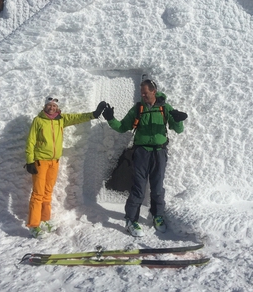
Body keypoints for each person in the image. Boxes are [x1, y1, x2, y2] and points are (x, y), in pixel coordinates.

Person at [103, 79, 187, 237]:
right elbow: (122, 127)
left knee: (157, 187)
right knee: (138, 187)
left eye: (145, 93)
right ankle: (130, 219)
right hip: (141, 152)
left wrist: (178, 119)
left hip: (159, 152)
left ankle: (157, 216)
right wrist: (110, 119)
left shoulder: (164, 108)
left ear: (154, 92)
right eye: (141, 92)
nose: (143, 95)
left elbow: (178, 130)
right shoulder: (138, 108)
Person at [25, 96, 107, 238]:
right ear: (45, 106)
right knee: (38, 194)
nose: (52, 108)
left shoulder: (61, 119)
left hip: (54, 161)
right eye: (49, 105)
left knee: (47, 192)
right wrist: (30, 161)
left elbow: (77, 118)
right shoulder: (38, 121)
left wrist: (94, 114)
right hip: (40, 161)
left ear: (57, 108)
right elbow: (31, 141)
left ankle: (44, 220)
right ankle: (34, 225)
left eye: (54, 106)